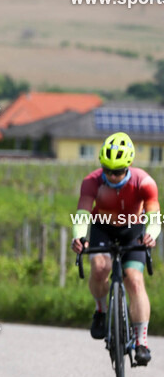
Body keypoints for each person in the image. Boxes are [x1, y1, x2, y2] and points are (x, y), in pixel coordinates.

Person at [71, 132, 159, 365]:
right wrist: (79, 237)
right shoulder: (92, 181)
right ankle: (101, 311)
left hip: (133, 229)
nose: (112, 175)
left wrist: (151, 234)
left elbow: (154, 216)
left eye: (118, 171)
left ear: (128, 166)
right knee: (99, 267)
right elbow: (82, 213)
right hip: (103, 227)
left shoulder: (144, 182)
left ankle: (141, 342)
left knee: (134, 279)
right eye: (107, 169)